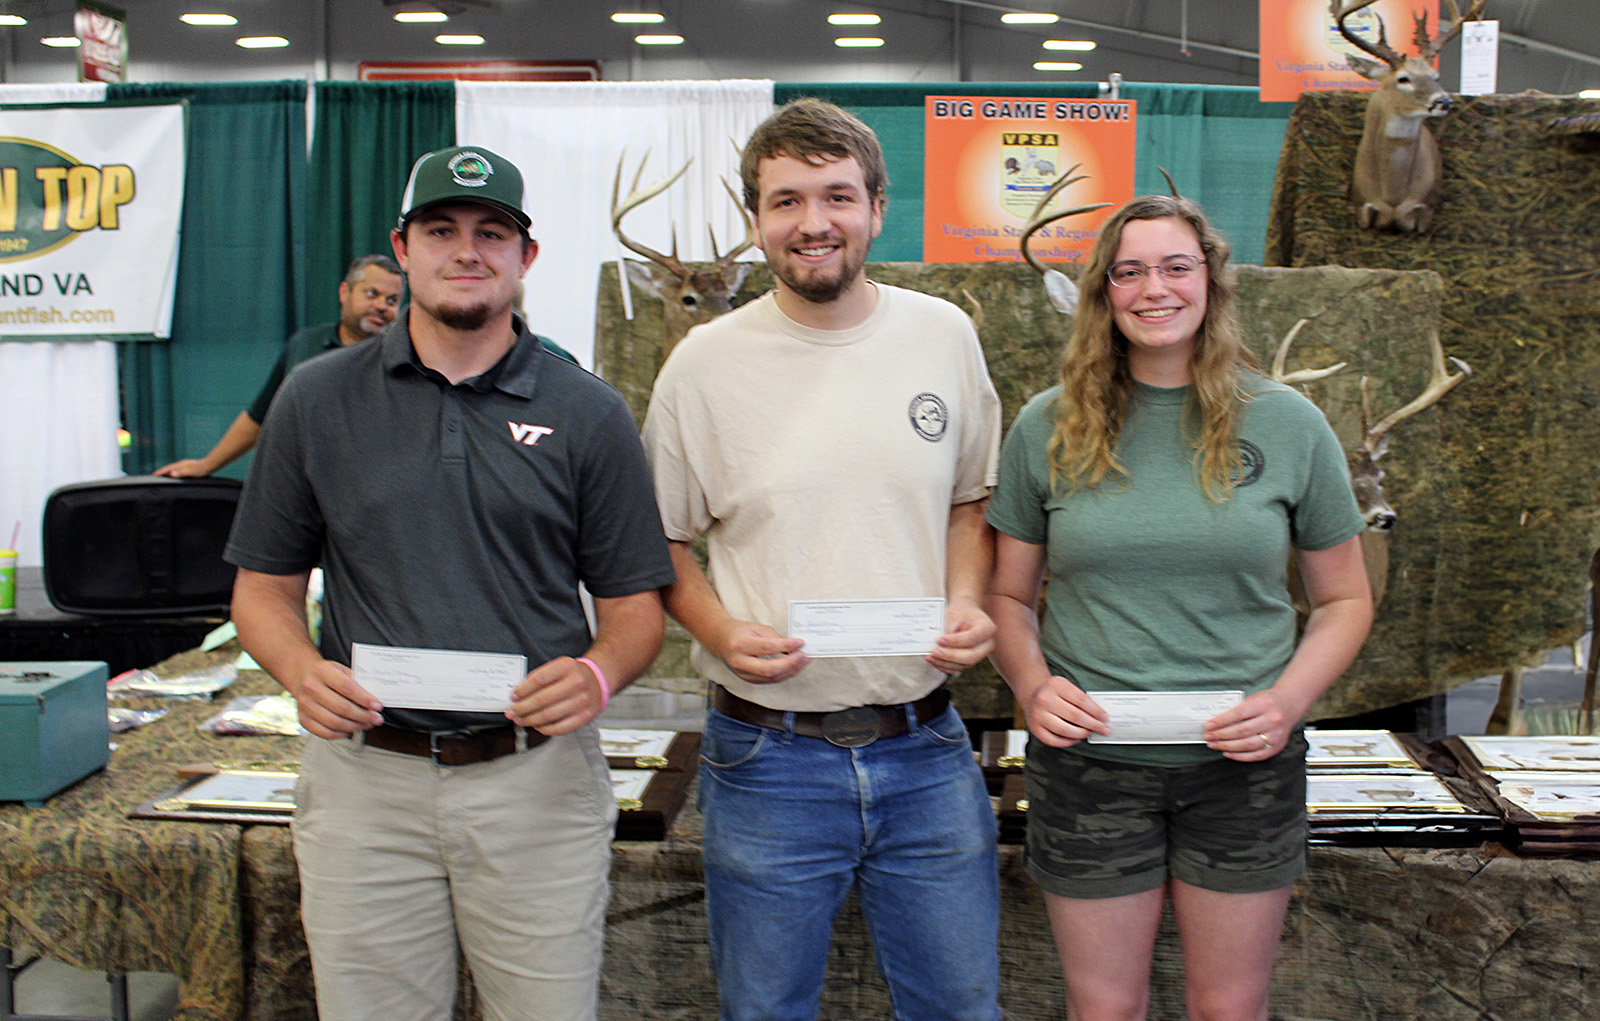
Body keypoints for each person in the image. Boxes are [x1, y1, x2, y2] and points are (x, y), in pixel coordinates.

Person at [224, 145, 674, 1021]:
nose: (466, 250)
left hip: (533, 784)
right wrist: (299, 671)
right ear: (403, 247)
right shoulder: (315, 400)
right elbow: (263, 591)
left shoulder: (589, 411)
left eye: (491, 232)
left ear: (524, 257)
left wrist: (594, 674)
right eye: (441, 229)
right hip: (365, 784)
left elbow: (635, 613)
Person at [642, 98, 1004, 1021]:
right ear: (755, 218)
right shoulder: (702, 364)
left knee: (960, 1009)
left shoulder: (944, 335)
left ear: (878, 208)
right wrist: (720, 626)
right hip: (767, 757)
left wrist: (967, 602)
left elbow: (971, 500)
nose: (814, 223)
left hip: (926, 748)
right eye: (787, 200)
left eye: (837, 196)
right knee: (766, 1011)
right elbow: (661, 542)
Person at [984, 194, 1374, 1021]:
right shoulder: (1046, 427)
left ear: (1211, 283)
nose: (1153, 288)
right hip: (1090, 766)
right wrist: (1031, 685)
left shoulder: (1289, 424)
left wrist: (1286, 702)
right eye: (1129, 271)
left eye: (1175, 267)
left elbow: (1343, 599)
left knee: (1229, 1007)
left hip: (1243, 771)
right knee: (1104, 1008)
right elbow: (1008, 594)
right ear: (1104, 292)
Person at [155, 254, 404, 477]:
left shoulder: (401, 359)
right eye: (372, 294)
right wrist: (207, 465)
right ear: (344, 292)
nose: (382, 306)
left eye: (392, 300)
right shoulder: (304, 345)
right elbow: (261, 416)